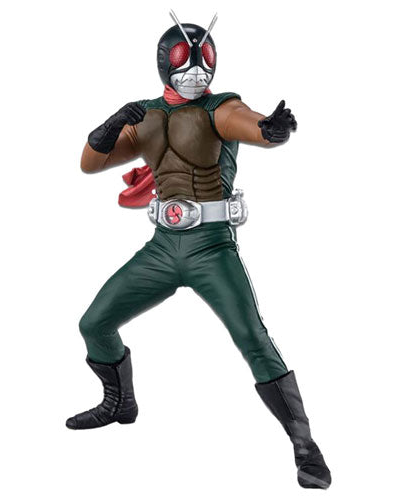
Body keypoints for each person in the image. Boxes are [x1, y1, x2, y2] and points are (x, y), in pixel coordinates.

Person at [67, 12, 331, 490]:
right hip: (162, 249)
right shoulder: (146, 116)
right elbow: (89, 164)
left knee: (253, 339)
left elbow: (247, 123)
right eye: (184, 59)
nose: (196, 70)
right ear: (163, 62)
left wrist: (271, 129)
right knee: (94, 324)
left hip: (212, 250)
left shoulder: (219, 108)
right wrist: (113, 123)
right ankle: (119, 402)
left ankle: (305, 446)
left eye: (204, 59)